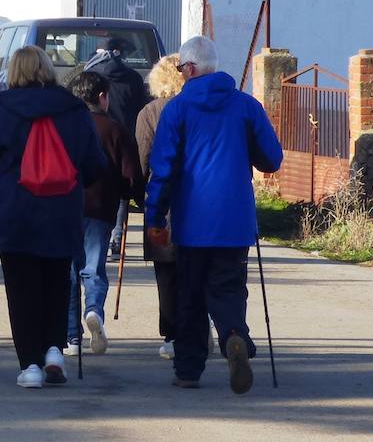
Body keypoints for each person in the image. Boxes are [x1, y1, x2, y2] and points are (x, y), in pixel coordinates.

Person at [0, 46, 107, 390]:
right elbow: (96, 164)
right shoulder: (74, 110)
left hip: (14, 214)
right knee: (57, 283)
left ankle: (31, 365)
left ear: (14, 72)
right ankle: (53, 350)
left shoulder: (0, 111)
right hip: (61, 211)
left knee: (21, 291)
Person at [144, 36, 283, 393]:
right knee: (229, 289)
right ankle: (234, 336)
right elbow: (272, 159)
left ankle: (189, 370)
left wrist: (155, 217)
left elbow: (163, 170)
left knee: (190, 296)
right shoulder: (246, 106)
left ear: (190, 69)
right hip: (235, 222)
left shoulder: (177, 110)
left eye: (180, 68)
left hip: (192, 223)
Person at [63, 70, 142, 357]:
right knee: (93, 269)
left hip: (66, 207)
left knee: (70, 272)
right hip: (101, 209)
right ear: (101, 97)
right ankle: (94, 309)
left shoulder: (64, 127)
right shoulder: (115, 130)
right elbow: (131, 175)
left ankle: (72, 338)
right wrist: (135, 197)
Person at [135, 53, 186, 360]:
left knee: (166, 273)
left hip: (162, 199)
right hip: (196, 198)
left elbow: (142, 158)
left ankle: (173, 335)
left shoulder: (149, 113)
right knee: (195, 267)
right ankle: (197, 323)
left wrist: (135, 192)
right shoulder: (195, 109)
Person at [85, 36, 148, 259]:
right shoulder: (133, 78)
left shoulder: (90, 75)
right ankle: (116, 237)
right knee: (121, 189)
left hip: (93, 135)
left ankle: (93, 242)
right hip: (124, 137)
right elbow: (141, 109)